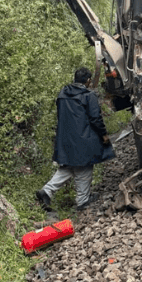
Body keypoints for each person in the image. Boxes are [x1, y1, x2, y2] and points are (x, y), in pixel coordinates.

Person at [36, 68, 115, 211]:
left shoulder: (62, 94)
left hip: (65, 138)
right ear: (88, 81)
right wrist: (104, 135)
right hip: (83, 138)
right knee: (84, 167)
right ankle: (82, 201)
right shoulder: (88, 95)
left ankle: (46, 191)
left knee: (68, 167)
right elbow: (95, 118)